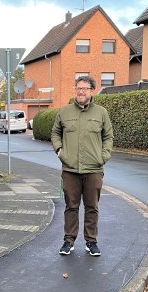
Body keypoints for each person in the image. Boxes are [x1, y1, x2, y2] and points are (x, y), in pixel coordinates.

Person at [50, 75, 114, 256]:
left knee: (92, 207)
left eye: (85, 88)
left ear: (91, 91)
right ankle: (68, 241)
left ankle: (91, 242)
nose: (81, 91)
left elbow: (108, 136)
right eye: (78, 87)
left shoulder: (101, 113)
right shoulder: (64, 112)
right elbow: (55, 133)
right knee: (71, 206)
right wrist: (60, 151)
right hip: (70, 169)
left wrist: (104, 156)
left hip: (94, 169)